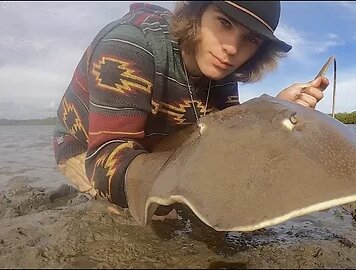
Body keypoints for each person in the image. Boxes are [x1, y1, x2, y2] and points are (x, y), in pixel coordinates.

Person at [53, 1, 329, 220]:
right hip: (88, 145)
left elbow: (226, 137)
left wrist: (275, 110)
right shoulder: (130, 45)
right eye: (224, 22)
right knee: (142, 219)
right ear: (196, 12)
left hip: (156, 142)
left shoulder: (222, 71)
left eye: (251, 39)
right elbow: (108, 161)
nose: (231, 48)